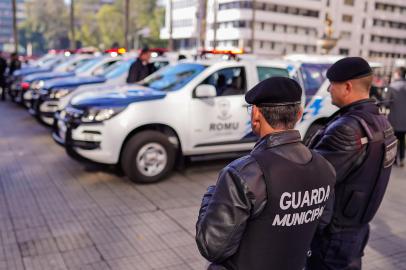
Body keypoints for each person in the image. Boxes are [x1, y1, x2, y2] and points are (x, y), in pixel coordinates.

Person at [196, 77, 336, 270]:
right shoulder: (324, 166)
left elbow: (212, 246)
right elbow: (322, 222)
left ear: (255, 114)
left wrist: (211, 195)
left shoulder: (244, 174)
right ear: (299, 114)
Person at [306, 57, 397, 270]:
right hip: (356, 228)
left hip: (335, 235)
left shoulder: (348, 127)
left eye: (332, 84)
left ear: (347, 87)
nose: (328, 89)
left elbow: (313, 178)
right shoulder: (379, 121)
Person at [386, 67, 406, 167]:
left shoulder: (392, 86)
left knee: (393, 140)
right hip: (404, 121)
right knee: (402, 140)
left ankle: (393, 160)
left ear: (397, 74)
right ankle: (402, 159)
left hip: (394, 119)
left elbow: (386, 103)